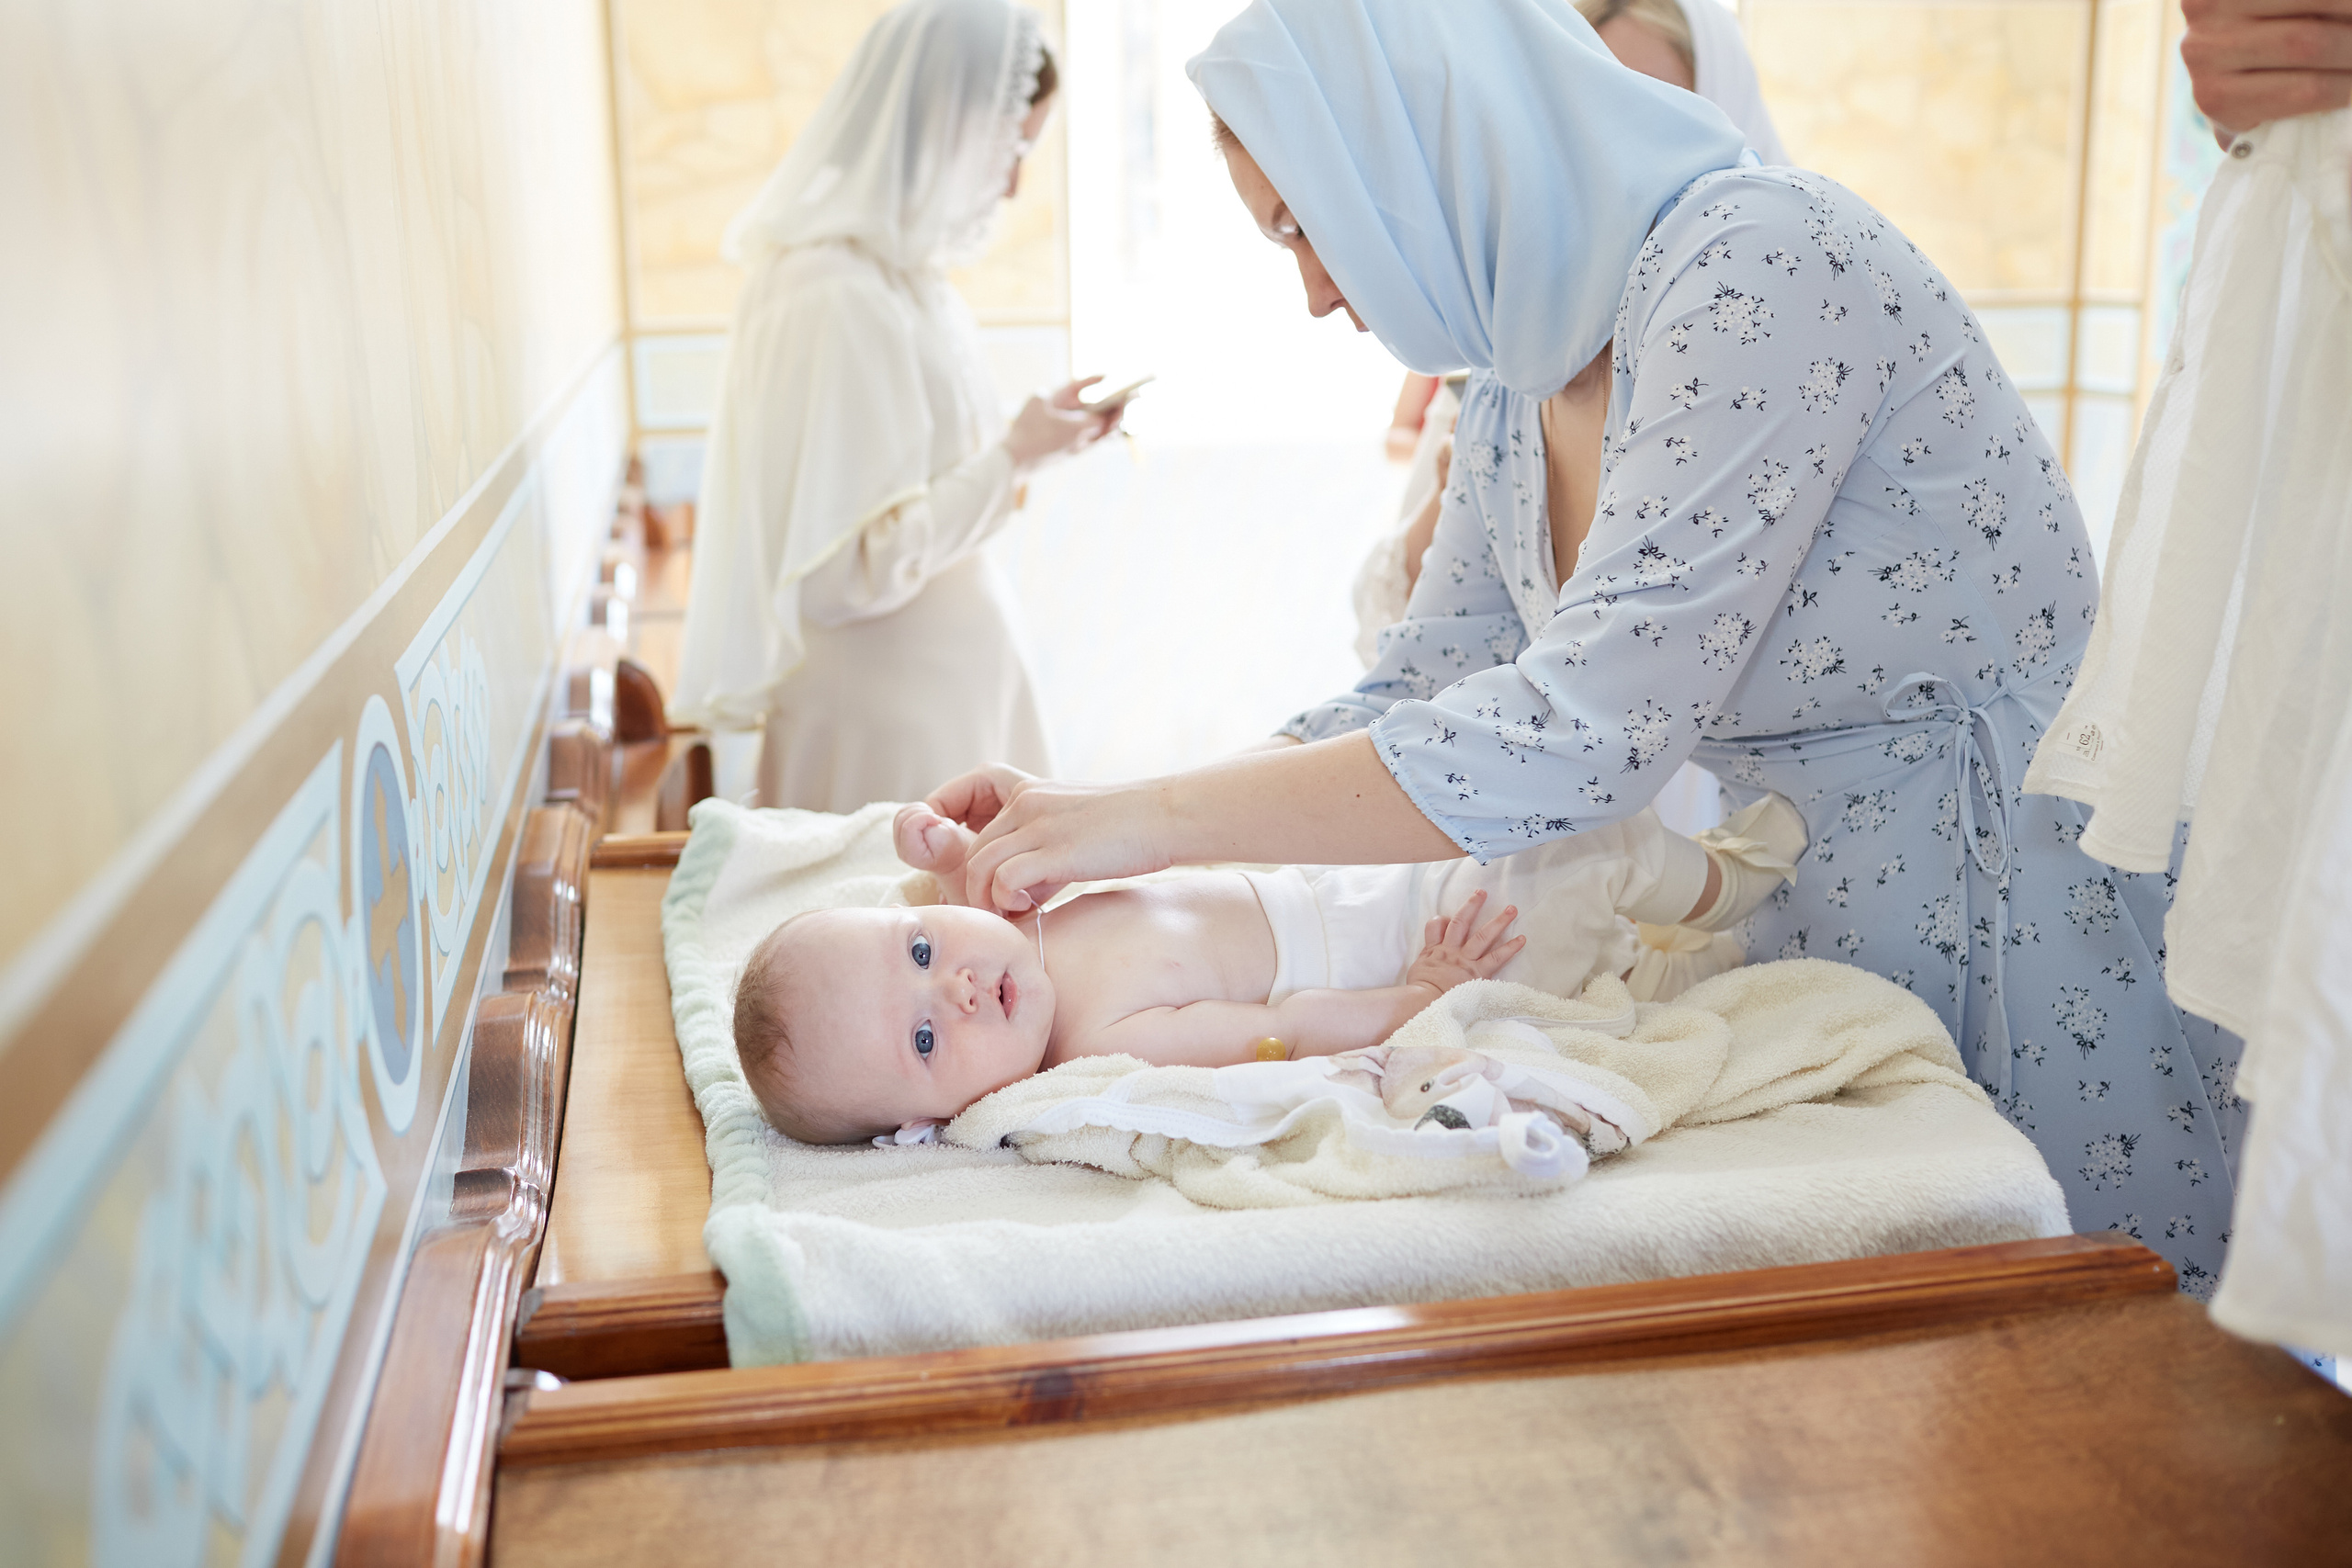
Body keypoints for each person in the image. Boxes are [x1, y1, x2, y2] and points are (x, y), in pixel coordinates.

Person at [925, 0, 2251, 1296]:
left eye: (1305, 226)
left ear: (1413, 143)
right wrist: (1094, 826)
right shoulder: (1515, 371)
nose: (1317, 291)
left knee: (2089, 1376)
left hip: (2010, 893)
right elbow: (1420, 681)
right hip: (1811, 903)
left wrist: (1144, 824)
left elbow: (1580, 735)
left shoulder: (1761, 261)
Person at [731, 795, 1804, 1144]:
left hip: (1376, 869)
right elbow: (1280, 1025)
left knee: (1547, 822)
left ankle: (1672, 941)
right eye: (925, 1040)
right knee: (1581, 854)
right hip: (1423, 934)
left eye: (919, 954)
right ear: (938, 1116)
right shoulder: (1106, 1038)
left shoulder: (1008, 933)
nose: (954, 988)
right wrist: (1421, 997)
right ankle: (1724, 902)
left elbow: (956, 873)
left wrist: (937, 851)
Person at [672, 0, 1123, 813]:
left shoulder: (903, 275)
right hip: (889, 731)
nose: (1016, 182)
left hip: (939, 703)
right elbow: (842, 572)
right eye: (1011, 147)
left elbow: (922, 480)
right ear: (946, 125)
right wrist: (1010, 457)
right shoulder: (834, 293)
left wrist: (1033, 443)